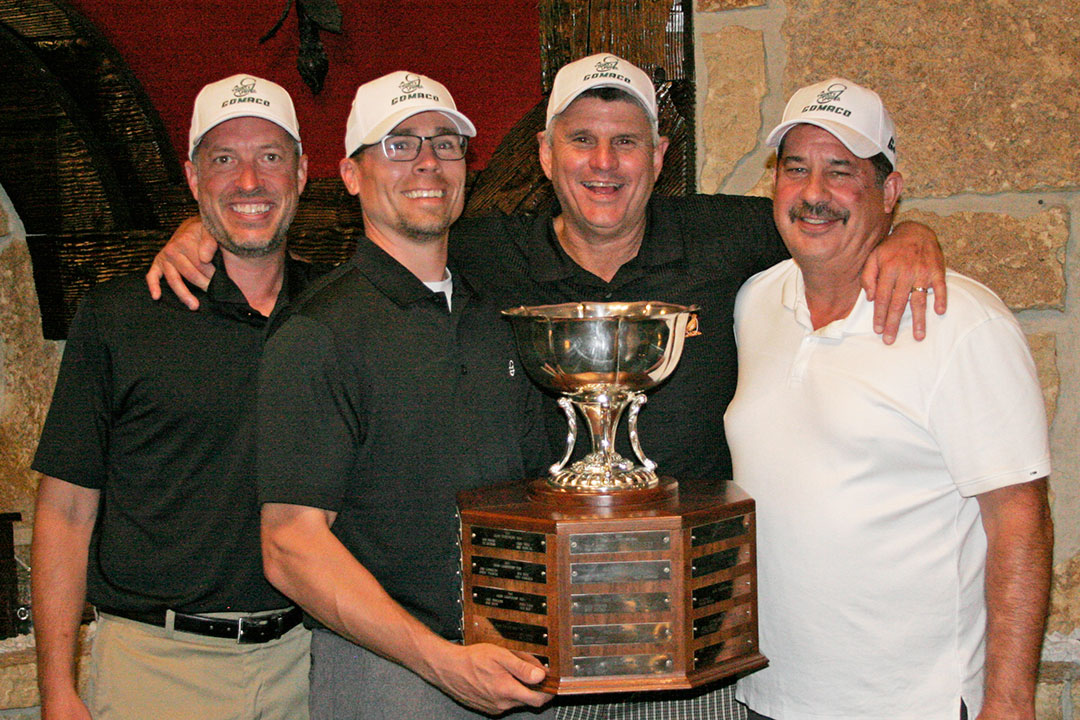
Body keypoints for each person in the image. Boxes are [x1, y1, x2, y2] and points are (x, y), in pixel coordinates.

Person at [146, 54, 947, 720]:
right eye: (582, 140)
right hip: (523, 657)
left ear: (659, 158)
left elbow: (827, 210)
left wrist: (911, 231)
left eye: (627, 142)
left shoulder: (726, 235)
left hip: (689, 653)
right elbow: (368, 264)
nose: (604, 164)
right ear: (542, 155)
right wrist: (209, 229)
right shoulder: (488, 256)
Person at [724, 78, 1053, 720]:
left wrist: (1009, 705)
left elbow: (1019, 521)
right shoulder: (754, 302)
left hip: (911, 702)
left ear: (890, 192)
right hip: (765, 696)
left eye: (841, 172)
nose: (814, 194)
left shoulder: (963, 323)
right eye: (796, 169)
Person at [253, 71, 555, 720]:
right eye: (398, 144)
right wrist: (440, 662)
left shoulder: (495, 319)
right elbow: (290, 545)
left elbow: (535, 493)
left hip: (509, 660)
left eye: (445, 144)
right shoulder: (316, 334)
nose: (427, 161)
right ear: (352, 174)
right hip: (387, 674)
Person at [31, 74, 319, 720]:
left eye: (270, 157)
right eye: (224, 159)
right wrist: (57, 687)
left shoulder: (337, 312)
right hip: (155, 669)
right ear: (192, 178)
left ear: (302, 174)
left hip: (309, 665)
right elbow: (65, 512)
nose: (249, 181)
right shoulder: (120, 316)